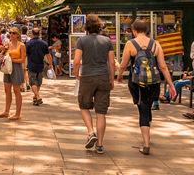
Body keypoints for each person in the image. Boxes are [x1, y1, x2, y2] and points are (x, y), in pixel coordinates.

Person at [117, 19, 176, 155]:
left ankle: (146, 144)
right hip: (154, 82)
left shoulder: (130, 44)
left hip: (137, 82)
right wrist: (171, 84)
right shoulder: (156, 44)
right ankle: (147, 134)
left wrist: (119, 75)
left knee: (142, 109)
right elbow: (163, 66)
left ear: (134, 30)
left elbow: (123, 64)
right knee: (148, 106)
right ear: (147, 30)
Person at [73, 14, 115, 154]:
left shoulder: (82, 41)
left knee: (84, 106)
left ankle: (91, 132)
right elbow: (112, 62)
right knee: (101, 113)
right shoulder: (107, 41)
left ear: (86, 27)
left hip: (87, 77)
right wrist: (111, 79)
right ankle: (100, 145)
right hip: (103, 77)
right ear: (99, 26)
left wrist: (76, 73)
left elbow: (77, 60)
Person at [0, 27, 26, 121]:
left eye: (13, 33)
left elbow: (22, 59)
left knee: (17, 91)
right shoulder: (8, 44)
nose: (11, 35)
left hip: (16, 68)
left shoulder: (21, 45)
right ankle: (7, 111)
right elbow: (1, 55)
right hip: (7, 68)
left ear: (18, 34)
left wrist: (11, 60)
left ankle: (18, 113)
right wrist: (2, 50)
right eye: (10, 33)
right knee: (7, 90)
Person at [25, 28, 53, 106]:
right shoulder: (44, 43)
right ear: (39, 34)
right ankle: (36, 98)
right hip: (41, 65)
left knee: (33, 81)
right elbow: (48, 55)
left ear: (32, 34)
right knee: (38, 82)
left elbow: (25, 54)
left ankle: (37, 96)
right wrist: (51, 63)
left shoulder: (29, 43)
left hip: (31, 65)